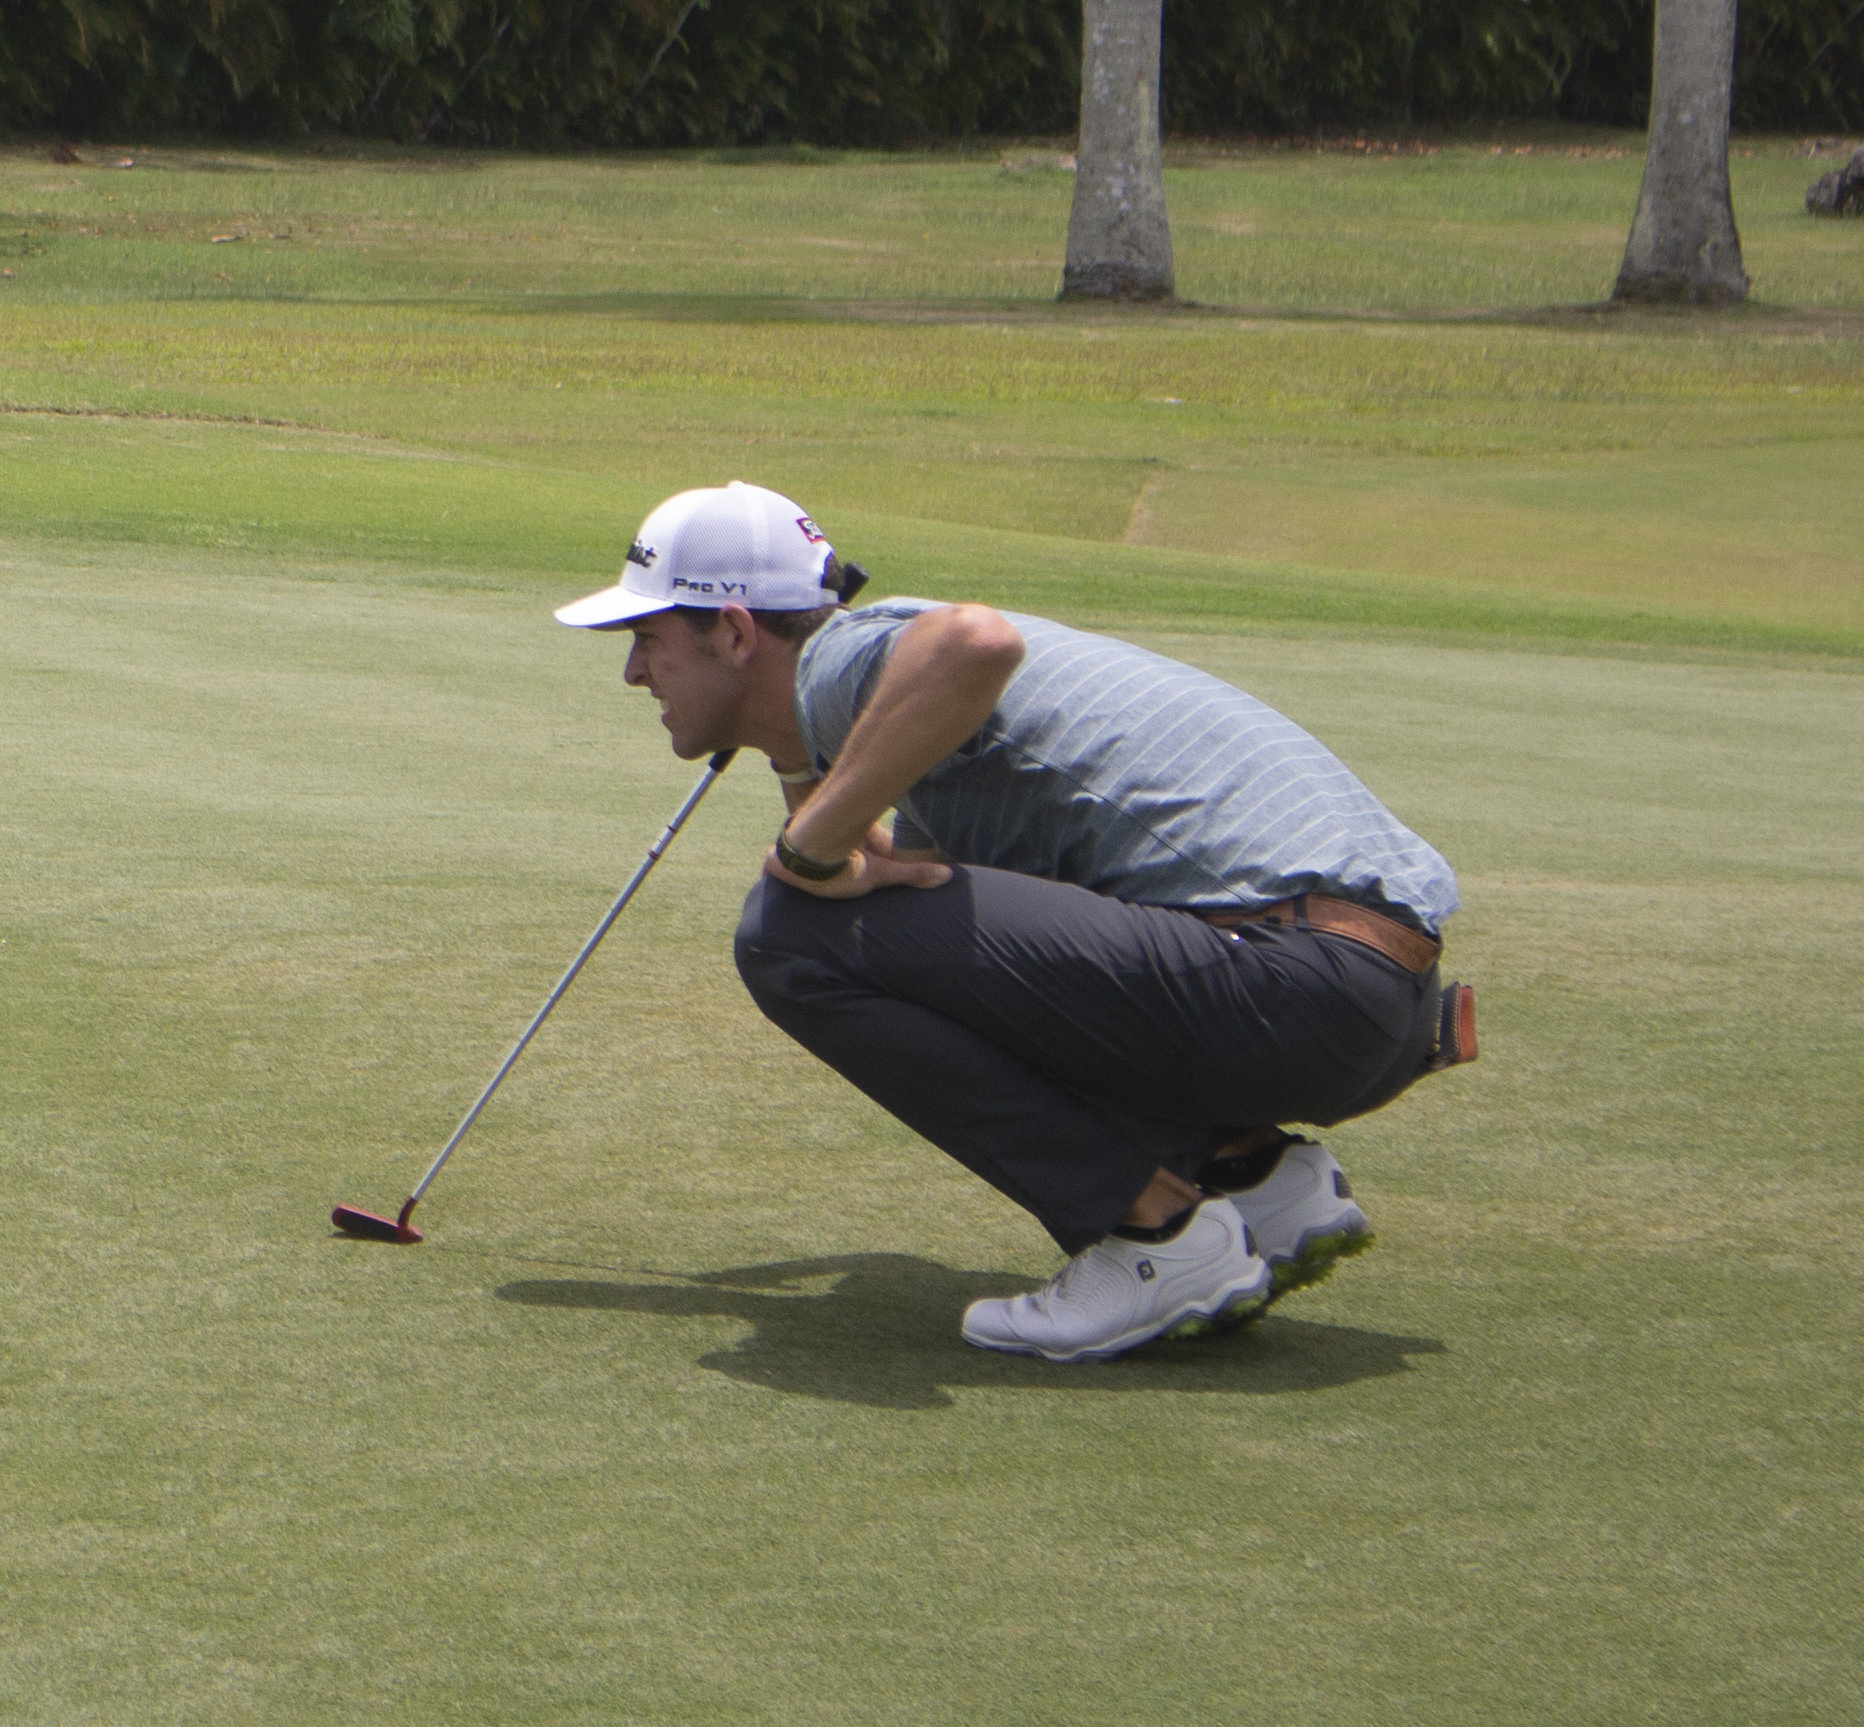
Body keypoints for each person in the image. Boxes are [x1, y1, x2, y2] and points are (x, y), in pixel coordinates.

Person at [554, 480, 1472, 1363]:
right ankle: (1256, 1178)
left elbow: (973, 642)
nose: (635, 671)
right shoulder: (880, 723)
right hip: (1364, 1003)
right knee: (898, 933)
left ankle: (1154, 1237)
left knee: (789, 935)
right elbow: (944, 927)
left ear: (735, 630)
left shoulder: (852, 654)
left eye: (647, 634)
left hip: (1291, 981)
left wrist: (805, 851)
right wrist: (806, 782)